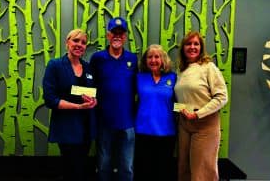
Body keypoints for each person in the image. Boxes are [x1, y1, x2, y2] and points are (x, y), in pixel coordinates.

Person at [42, 29, 97, 181]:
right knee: (71, 170)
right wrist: (78, 107)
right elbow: (50, 99)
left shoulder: (88, 68)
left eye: (83, 42)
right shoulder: (55, 66)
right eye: (76, 41)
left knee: (82, 169)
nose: (79, 45)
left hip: (86, 128)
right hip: (66, 128)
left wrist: (93, 100)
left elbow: (92, 92)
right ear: (67, 43)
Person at [174, 31, 228, 181]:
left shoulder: (208, 67)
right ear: (183, 48)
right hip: (185, 125)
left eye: (196, 44)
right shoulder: (181, 70)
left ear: (201, 47)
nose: (192, 47)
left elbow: (222, 97)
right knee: (184, 170)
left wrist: (198, 114)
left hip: (205, 126)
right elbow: (182, 98)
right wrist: (179, 110)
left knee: (202, 173)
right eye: (188, 44)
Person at [89, 17, 138, 181]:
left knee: (126, 166)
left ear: (125, 37)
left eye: (121, 33)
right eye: (113, 33)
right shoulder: (97, 58)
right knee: (103, 165)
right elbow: (89, 85)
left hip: (128, 122)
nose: (117, 36)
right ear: (108, 35)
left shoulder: (133, 59)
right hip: (104, 121)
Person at [134, 44, 177, 181]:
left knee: (163, 172)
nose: (153, 60)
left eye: (157, 57)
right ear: (145, 60)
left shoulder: (173, 78)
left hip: (166, 133)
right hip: (142, 131)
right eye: (149, 57)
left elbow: (179, 102)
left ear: (163, 59)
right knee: (143, 171)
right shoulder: (139, 78)